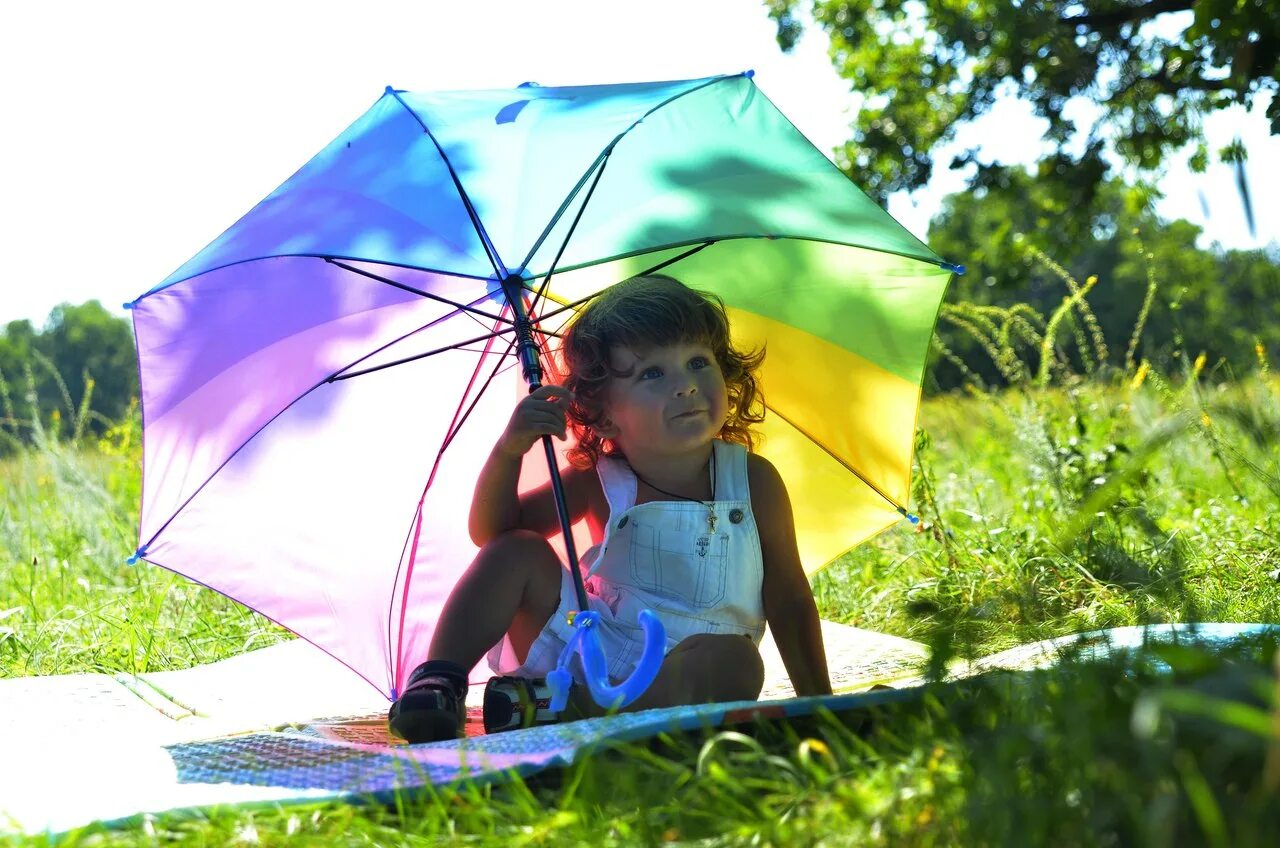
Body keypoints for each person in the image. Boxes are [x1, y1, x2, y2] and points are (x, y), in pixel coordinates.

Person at [388, 274, 831, 743]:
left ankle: (572, 711)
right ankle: (438, 686)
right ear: (602, 411)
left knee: (737, 661)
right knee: (517, 550)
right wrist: (509, 451)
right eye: (653, 373)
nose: (685, 386)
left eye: (698, 361)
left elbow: (788, 596)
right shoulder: (600, 479)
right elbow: (492, 532)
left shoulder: (753, 481)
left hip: (691, 667)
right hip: (593, 652)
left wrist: (819, 702)